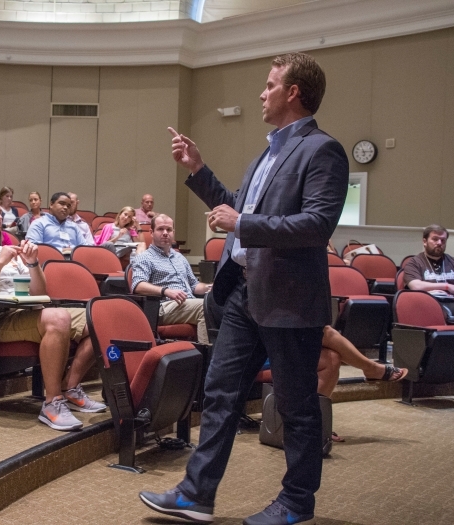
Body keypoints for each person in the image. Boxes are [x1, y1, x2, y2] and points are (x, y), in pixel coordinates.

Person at [140, 53, 349, 525]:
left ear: (293, 92)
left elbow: (316, 224)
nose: (262, 92)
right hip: (241, 295)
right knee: (220, 395)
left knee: (296, 406)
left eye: (270, 84)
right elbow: (237, 209)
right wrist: (198, 169)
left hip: (290, 299)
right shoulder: (267, 154)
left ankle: (296, 502)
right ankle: (196, 495)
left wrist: (244, 222)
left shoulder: (322, 150)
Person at [0, 192, 106, 431]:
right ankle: (52, 403)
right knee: (58, 318)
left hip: (21, 313)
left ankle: (69, 386)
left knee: (99, 317)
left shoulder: (7, 249)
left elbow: (38, 291)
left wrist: (32, 264)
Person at [131, 214, 210, 345]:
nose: (165, 233)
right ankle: (208, 359)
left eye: (169, 230)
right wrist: (166, 291)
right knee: (204, 307)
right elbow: (138, 285)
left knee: (221, 303)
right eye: (160, 229)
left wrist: (211, 288)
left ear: (173, 232)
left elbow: (194, 285)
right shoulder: (145, 257)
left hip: (187, 303)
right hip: (162, 307)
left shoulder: (180, 257)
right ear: (151, 232)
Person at [403, 225, 454, 322]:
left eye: (443, 240)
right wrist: (447, 287)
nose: (439, 243)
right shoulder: (414, 263)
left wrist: (452, 293)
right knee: (435, 309)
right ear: (424, 241)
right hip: (433, 302)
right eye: (435, 239)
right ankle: (451, 321)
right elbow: (416, 286)